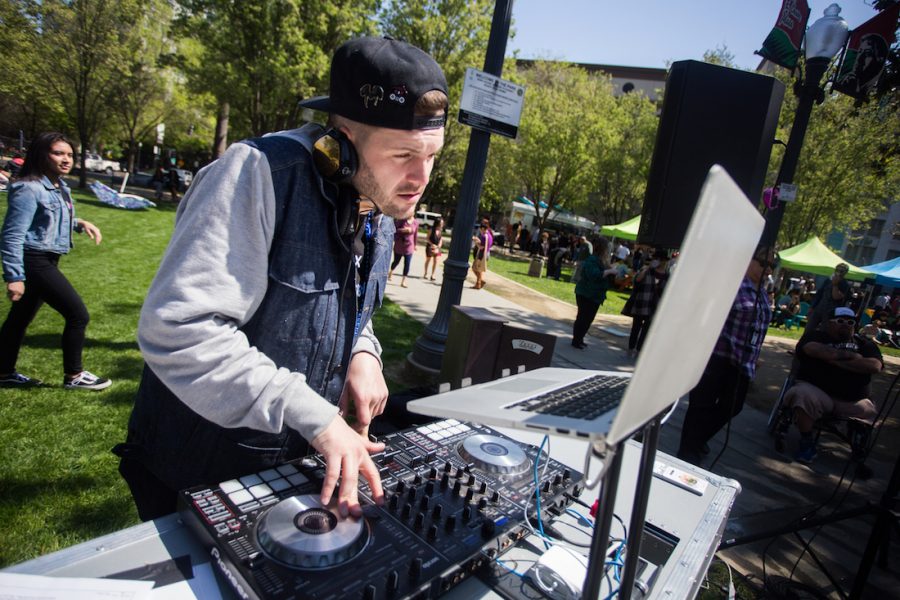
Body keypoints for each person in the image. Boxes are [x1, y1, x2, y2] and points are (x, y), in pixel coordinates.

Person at [114, 36, 449, 521]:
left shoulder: (384, 197)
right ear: (341, 146)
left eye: (432, 156)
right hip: (193, 471)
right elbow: (180, 330)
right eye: (403, 156)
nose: (421, 178)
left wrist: (362, 351)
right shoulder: (255, 174)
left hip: (283, 466)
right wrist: (316, 417)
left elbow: (345, 303)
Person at [0, 132, 110, 390]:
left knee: (18, 320)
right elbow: (13, 234)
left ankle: (3, 372)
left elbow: (47, 221)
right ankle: (74, 376)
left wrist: (78, 224)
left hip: (47, 258)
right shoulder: (28, 188)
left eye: (70, 154)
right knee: (77, 315)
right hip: (35, 261)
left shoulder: (59, 186)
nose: (66, 159)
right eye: (58, 153)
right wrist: (14, 276)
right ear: (41, 154)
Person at [677, 247, 774, 465]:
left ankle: (698, 439)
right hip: (716, 357)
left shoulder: (762, 291)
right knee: (701, 405)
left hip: (742, 363)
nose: (767, 269)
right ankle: (687, 453)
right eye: (763, 263)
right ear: (748, 260)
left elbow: (757, 326)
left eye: (771, 265)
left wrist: (754, 354)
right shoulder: (732, 285)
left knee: (733, 406)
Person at [785, 307, 882, 464]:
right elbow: (812, 349)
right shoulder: (816, 336)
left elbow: (875, 366)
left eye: (850, 322)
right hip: (817, 392)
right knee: (802, 394)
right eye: (840, 321)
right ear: (829, 323)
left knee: (871, 411)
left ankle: (858, 448)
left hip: (852, 399)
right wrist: (852, 357)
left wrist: (831, 359)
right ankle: (806, 442)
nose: (846, 325)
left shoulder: (864, 344)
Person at [622, 248, 669, 357]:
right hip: (641, 302)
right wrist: (648, 268)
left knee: (646, 330)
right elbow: (637, 280)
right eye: (656, 259)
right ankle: (630, 349)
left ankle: (639, 351)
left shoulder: (667, 274)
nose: (659, 261)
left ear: (665, 261)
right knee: (636, 327)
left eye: (661, 259)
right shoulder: (647, 269)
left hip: (654, 306)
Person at [571, 237, 617, 349]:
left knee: (589, 318)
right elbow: (594, 275)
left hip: (595, 295)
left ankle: (580, 339)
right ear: (603, 249)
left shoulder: (602, 261)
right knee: (583, 317)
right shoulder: (592, 260)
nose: (609, 252)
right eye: (608, 249)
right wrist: (608, 271)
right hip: (586, 293)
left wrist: (611, 270)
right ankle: (576, 340)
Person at [805, 263, 850, 332]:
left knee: (824, 331)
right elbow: (819, 294)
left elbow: (836, 297)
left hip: (830, 312)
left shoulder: (845, 284)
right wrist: (812, 307)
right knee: (809, 328)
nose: (839, 272)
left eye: (841, 271)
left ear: (845, 273)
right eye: (837, 270)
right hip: (819, 308)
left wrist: (835, 285)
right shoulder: (828, 280)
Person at [389, 216, 418, 288]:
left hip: (409, 246)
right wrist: (404, 230)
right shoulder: (401, 220)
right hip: (399, 245)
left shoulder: (415, 222)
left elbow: (415, 234)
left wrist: (415, 245)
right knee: (396, 261)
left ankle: (403, 281)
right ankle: (391, 272)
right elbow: (395, 230)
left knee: (407, 264)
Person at [472, 220, 493, 289]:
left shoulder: (484, 236)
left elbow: (481, 247)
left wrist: (475, 242)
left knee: (475, 268)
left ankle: (479, 283)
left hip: (482, 254)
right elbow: (485, 244)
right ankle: (479, 282)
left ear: (483, 229)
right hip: (487, 253)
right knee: (479, 269)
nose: (480, 231)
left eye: (480, 230)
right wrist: (478, 240)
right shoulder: (489, 235)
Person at [423, 216, 443, 281]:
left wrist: (438, 246)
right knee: (428, 260)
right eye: (441, 223)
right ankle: (425, 273)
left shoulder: (440, 230)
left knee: (436, 261)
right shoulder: (431, 229)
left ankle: (433, 274)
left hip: (437, 248)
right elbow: (427, 238)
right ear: (438, 223)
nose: (442, 224)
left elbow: (441, 239)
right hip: (430, 247)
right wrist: (432, 244)